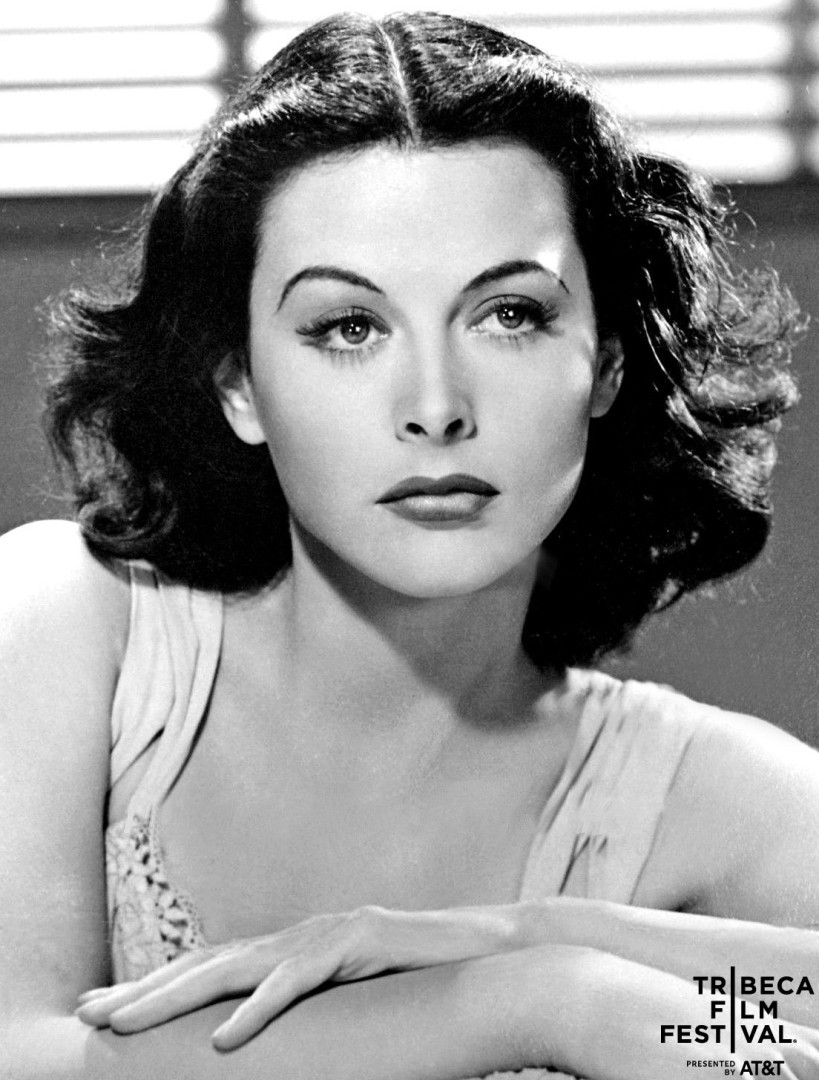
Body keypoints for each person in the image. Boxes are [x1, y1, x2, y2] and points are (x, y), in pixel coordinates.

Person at [2, 11, 818, 1080]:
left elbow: (781, 1042)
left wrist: (538, 938)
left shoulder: (713, 796)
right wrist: (531, 1003)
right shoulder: (63, 624)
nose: (435, 407)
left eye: (509, 315)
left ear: (610, 363)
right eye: (349, 327)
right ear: (237, 383)